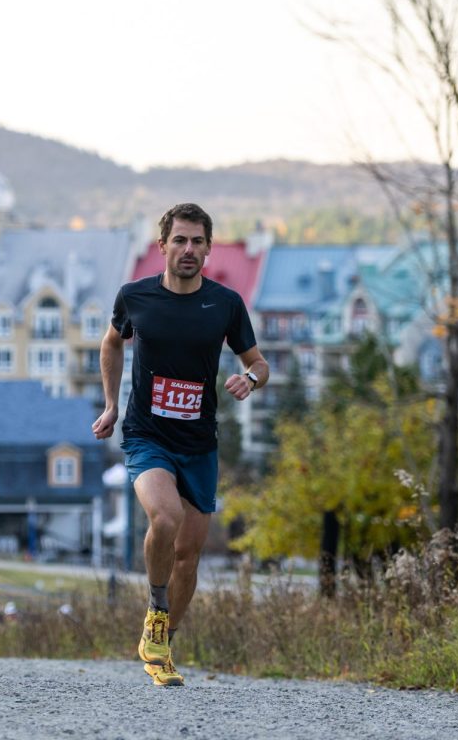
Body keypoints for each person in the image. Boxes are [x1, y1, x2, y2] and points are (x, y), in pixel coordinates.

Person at [92, 203, 269, 687]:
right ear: (163, 246)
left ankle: (162, 644)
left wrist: (249, 381)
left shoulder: (226, 303)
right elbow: (111, 343)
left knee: (190, 554)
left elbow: (259, 364)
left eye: (197, 242)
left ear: (209, 249)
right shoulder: (135, 297)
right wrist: (111, 404)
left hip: (199, 442)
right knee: (164, 518)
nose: (188, 250)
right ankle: (155, 605)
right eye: (180, 240)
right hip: (147, 436)